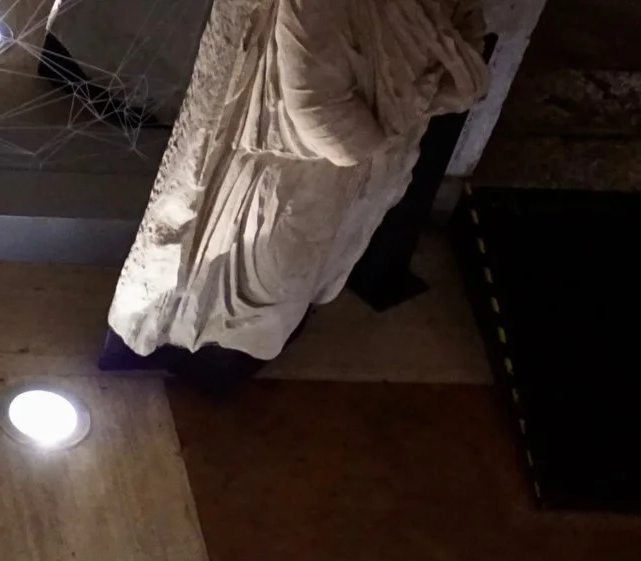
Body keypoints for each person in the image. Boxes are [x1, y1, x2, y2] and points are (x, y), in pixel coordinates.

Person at [105, 0, 488, 376]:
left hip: (365, 170)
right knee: (266, 287)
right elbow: (320, 111)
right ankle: (212, 347)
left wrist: (444, 90)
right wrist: (407, 112)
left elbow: (467, 57)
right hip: (293, 174)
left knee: (309, 273)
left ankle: (231, 349)